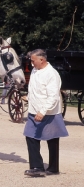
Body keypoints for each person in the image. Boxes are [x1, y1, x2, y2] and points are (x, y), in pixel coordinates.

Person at [23, 49, 68, 177]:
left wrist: (43, 111)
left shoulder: (52, 74)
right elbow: (35, 88)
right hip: (34, 111)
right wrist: (29, 97)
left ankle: (53, 168)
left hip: (48, 112)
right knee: (31, 136)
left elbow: (53, 96)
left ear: (42, 60)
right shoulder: (35, 70)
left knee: (52, 139)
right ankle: (37, 167)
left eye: (33, 61)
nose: (31, 63)